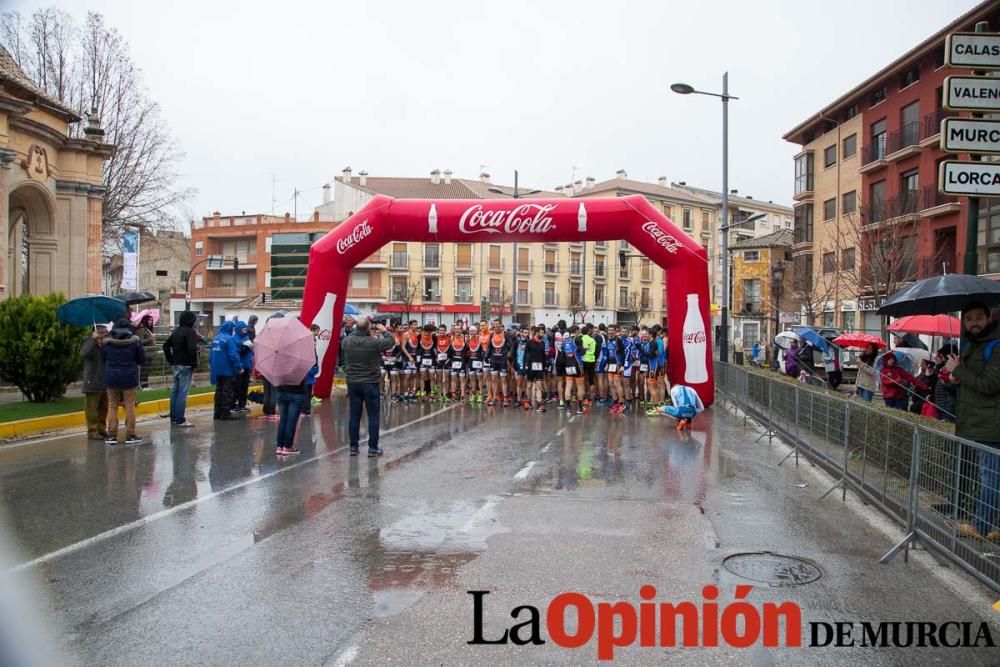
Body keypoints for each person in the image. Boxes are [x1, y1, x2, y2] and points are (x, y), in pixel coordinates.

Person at [945, 302, 1000, 541]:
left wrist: (959, 371)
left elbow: (989, 385)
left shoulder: (995, 346)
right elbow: (974, 381)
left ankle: (981, 526)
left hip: (991, 424)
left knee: (991, 477)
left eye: (979, 317)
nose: (974, 323)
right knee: (991, 476)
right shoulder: (972, 345)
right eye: (968, 319)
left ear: (988, 318)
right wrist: (957, 377)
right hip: (978, 421)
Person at [341, 318, 395, 457]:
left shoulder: (347, 342)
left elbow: (349, 335)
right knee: (373, 416)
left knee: (354, 415)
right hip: (370, 382)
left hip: (353, 382)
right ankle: (372, 448)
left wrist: (357, 327)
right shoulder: (374, 343)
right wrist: (384, 330)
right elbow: (390, 342)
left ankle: (353, 447)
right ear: (368, 330)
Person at [102, 317, 146, 445]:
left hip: (112, 377)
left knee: (112, 405)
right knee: (130, 405)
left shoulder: (107, 343)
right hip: (129, 377)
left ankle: (111, 435)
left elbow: (104, 358)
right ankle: (130, 435)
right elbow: (141, 359)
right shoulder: (135, 342)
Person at [162, 310, 198, 427]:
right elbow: (192, 349)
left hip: (176, 364)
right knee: (183, 393)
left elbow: (165, 346)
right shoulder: (190, 332)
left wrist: (171, 359)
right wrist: (193, 364)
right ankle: (180, 419)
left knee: (175, 392)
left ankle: (173, 417)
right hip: (186, 365)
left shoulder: (176, 331)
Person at [80, 324, 110, 441]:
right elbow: (83, 353)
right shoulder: (87, 342)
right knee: (92, 408)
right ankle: (92, 430)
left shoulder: (104, 345)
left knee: (104, 407)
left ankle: (102, 429)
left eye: (105, 332)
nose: (104, 334)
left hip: (104, 380)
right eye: (102, 332)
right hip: (92, 380)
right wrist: (92, 340)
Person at [210, 320, 241, 420]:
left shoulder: (216, 338)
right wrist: (239, 367)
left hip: (216, 369)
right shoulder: (229, 339)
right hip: (227, 369)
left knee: (219, 391)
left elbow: (211, 354)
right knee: (227, 391)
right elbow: (233, 355)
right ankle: (225, 413)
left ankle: (217, 413)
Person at [933, 344, 958, 423]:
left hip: (948, 407)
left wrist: (945, 384)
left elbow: (955, 386)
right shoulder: (942, 368)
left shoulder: (953, 368)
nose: (936, 358)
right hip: (940, 405)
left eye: (939, 355)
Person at [233, 321, 254, 413]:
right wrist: (244, 348)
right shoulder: (234, 339)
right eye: (243, 329)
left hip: (247, 365)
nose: (245, 330)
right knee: (238, 386)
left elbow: (250, 350)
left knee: (245, 386)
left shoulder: (246, 338)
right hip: (239, 366)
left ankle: (242, 404)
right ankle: (235, 404)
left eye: (245, 329)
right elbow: (235, 352)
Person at [135, 314, 156, 389]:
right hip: (145, 353)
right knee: (144, 370)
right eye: (150, 320)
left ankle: (145, 385)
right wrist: (150, 339)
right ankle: (143, 386)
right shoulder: (141, 329)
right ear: (145, 320)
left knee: (146, 370)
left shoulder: (148, 330)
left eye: (152, 320)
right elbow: (139, 341)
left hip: (150, 354)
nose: (151, 322)